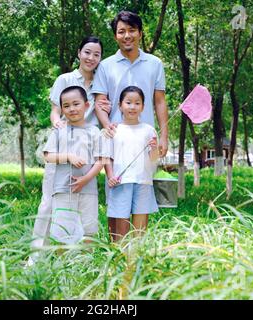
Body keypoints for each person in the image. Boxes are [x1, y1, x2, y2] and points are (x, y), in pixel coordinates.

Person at [29, 36, 108, 264]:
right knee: (48, 205)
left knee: (82, 212)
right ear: (79, 53)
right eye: (87, 52)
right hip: (64, 143)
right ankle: (36, 259)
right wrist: (58, 124)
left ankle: (78, 260)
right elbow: (55, 111)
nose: (91, 58)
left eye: (96, 54)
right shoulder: (65, 79)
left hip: (87, 150)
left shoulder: (101, 83)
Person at [91, 10, 169, 238]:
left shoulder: (154, 64)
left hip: (145, 142)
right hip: (118, 143)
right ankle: (116, 253)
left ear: (140, 33)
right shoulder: (106, 66)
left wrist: (163, 136)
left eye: (131, 30)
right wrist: (107, 126)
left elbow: (160, 101)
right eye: (121, 31)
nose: (127, 36)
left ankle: (137, 253)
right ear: (115, 36)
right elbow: (99, 102)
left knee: (141, 199)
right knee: (117, 200)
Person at [43, 86, 110, 243]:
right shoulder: (59, 130)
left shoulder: (94, 131)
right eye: (66, 106)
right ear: (62, 109)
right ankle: (63, 264)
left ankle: (85, 263)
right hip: (63, 189)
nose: (72, 109)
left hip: (88, 190)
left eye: (76, 104)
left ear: (86, 105)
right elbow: (48, 156)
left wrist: (86, 178)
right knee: (61, 229)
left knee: (88, 228)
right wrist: (68, 157)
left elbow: (102, 159)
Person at [105, 86, 159, 241]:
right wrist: (110, 176)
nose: (132, 107)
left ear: (143, 106)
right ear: (120, 105)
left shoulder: (149, 130)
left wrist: (155, 148)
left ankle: (136, 258)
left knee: (139, 229)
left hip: (143, 182)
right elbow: (107, 157)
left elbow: (154, 159)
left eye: (137, 103)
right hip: (121, 182)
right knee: (120, 227)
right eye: (128, 102)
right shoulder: (114, 129)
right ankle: (118, 257)